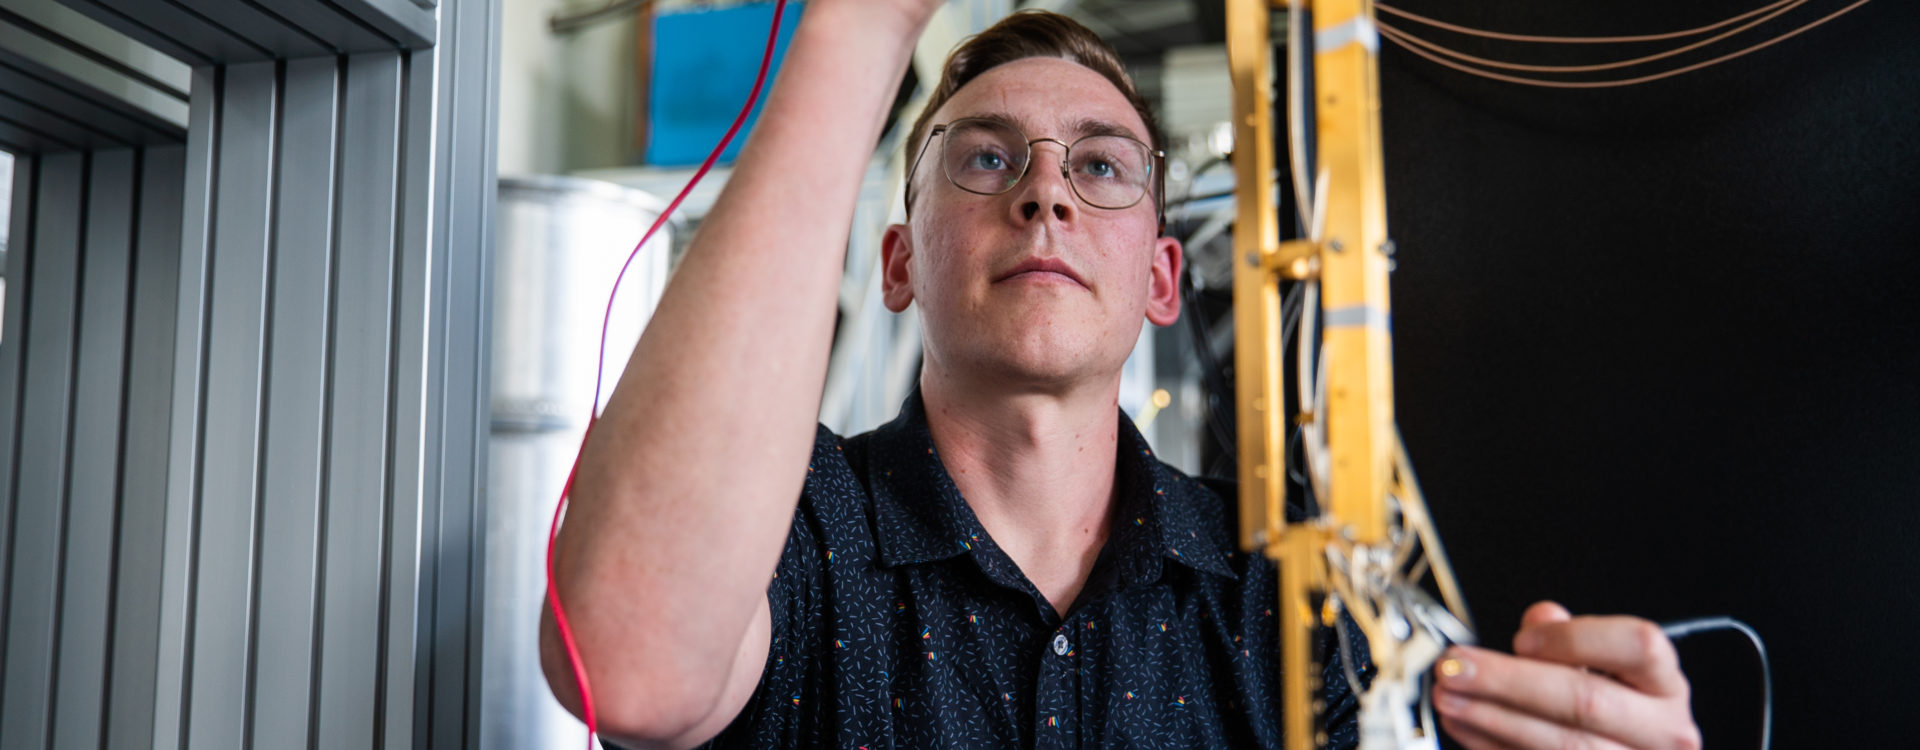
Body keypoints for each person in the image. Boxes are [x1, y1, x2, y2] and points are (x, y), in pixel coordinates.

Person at [541, 2, 1704, 748]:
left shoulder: (1281, 593)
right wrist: (860, 30)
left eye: (1100, 165)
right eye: (985, 156)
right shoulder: (799, 541)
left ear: (1159, 279)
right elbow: (627, 664)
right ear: (898, 264)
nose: (1043, 192)